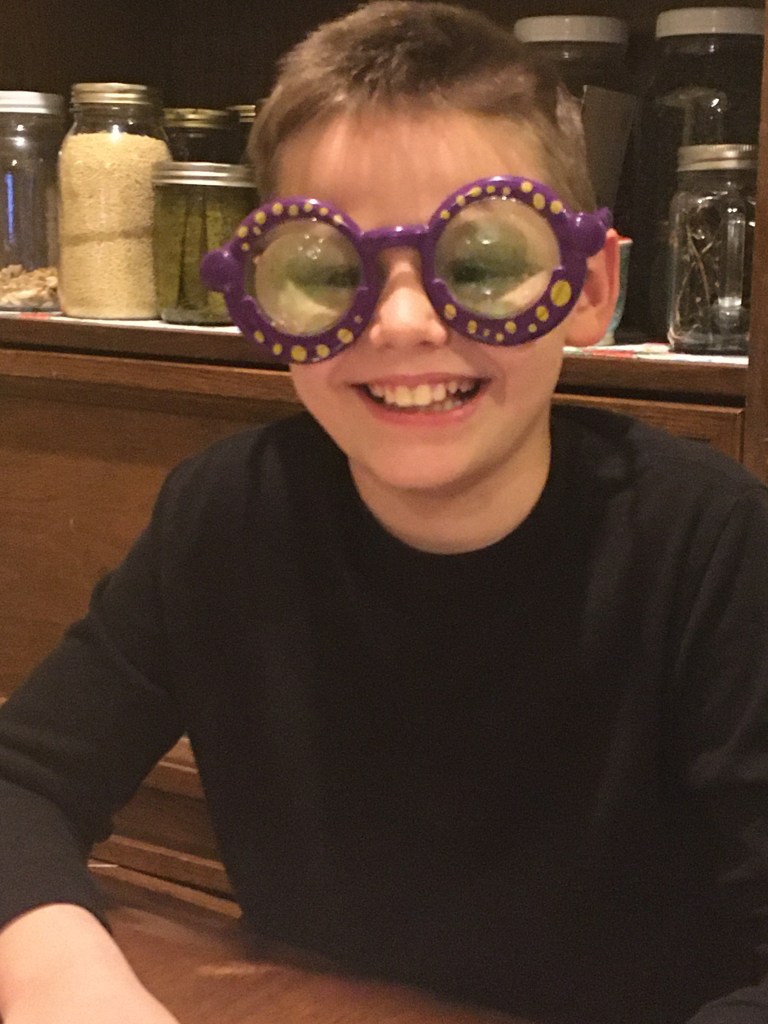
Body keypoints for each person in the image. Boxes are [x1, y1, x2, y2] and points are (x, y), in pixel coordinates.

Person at [1, 3, 768, 1023]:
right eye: (325, 273)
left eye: (482, 265)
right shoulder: (225, 517)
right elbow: (22, 783)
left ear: (590, 287)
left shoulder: (713, 546)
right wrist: (68, 982)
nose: (403, 323)